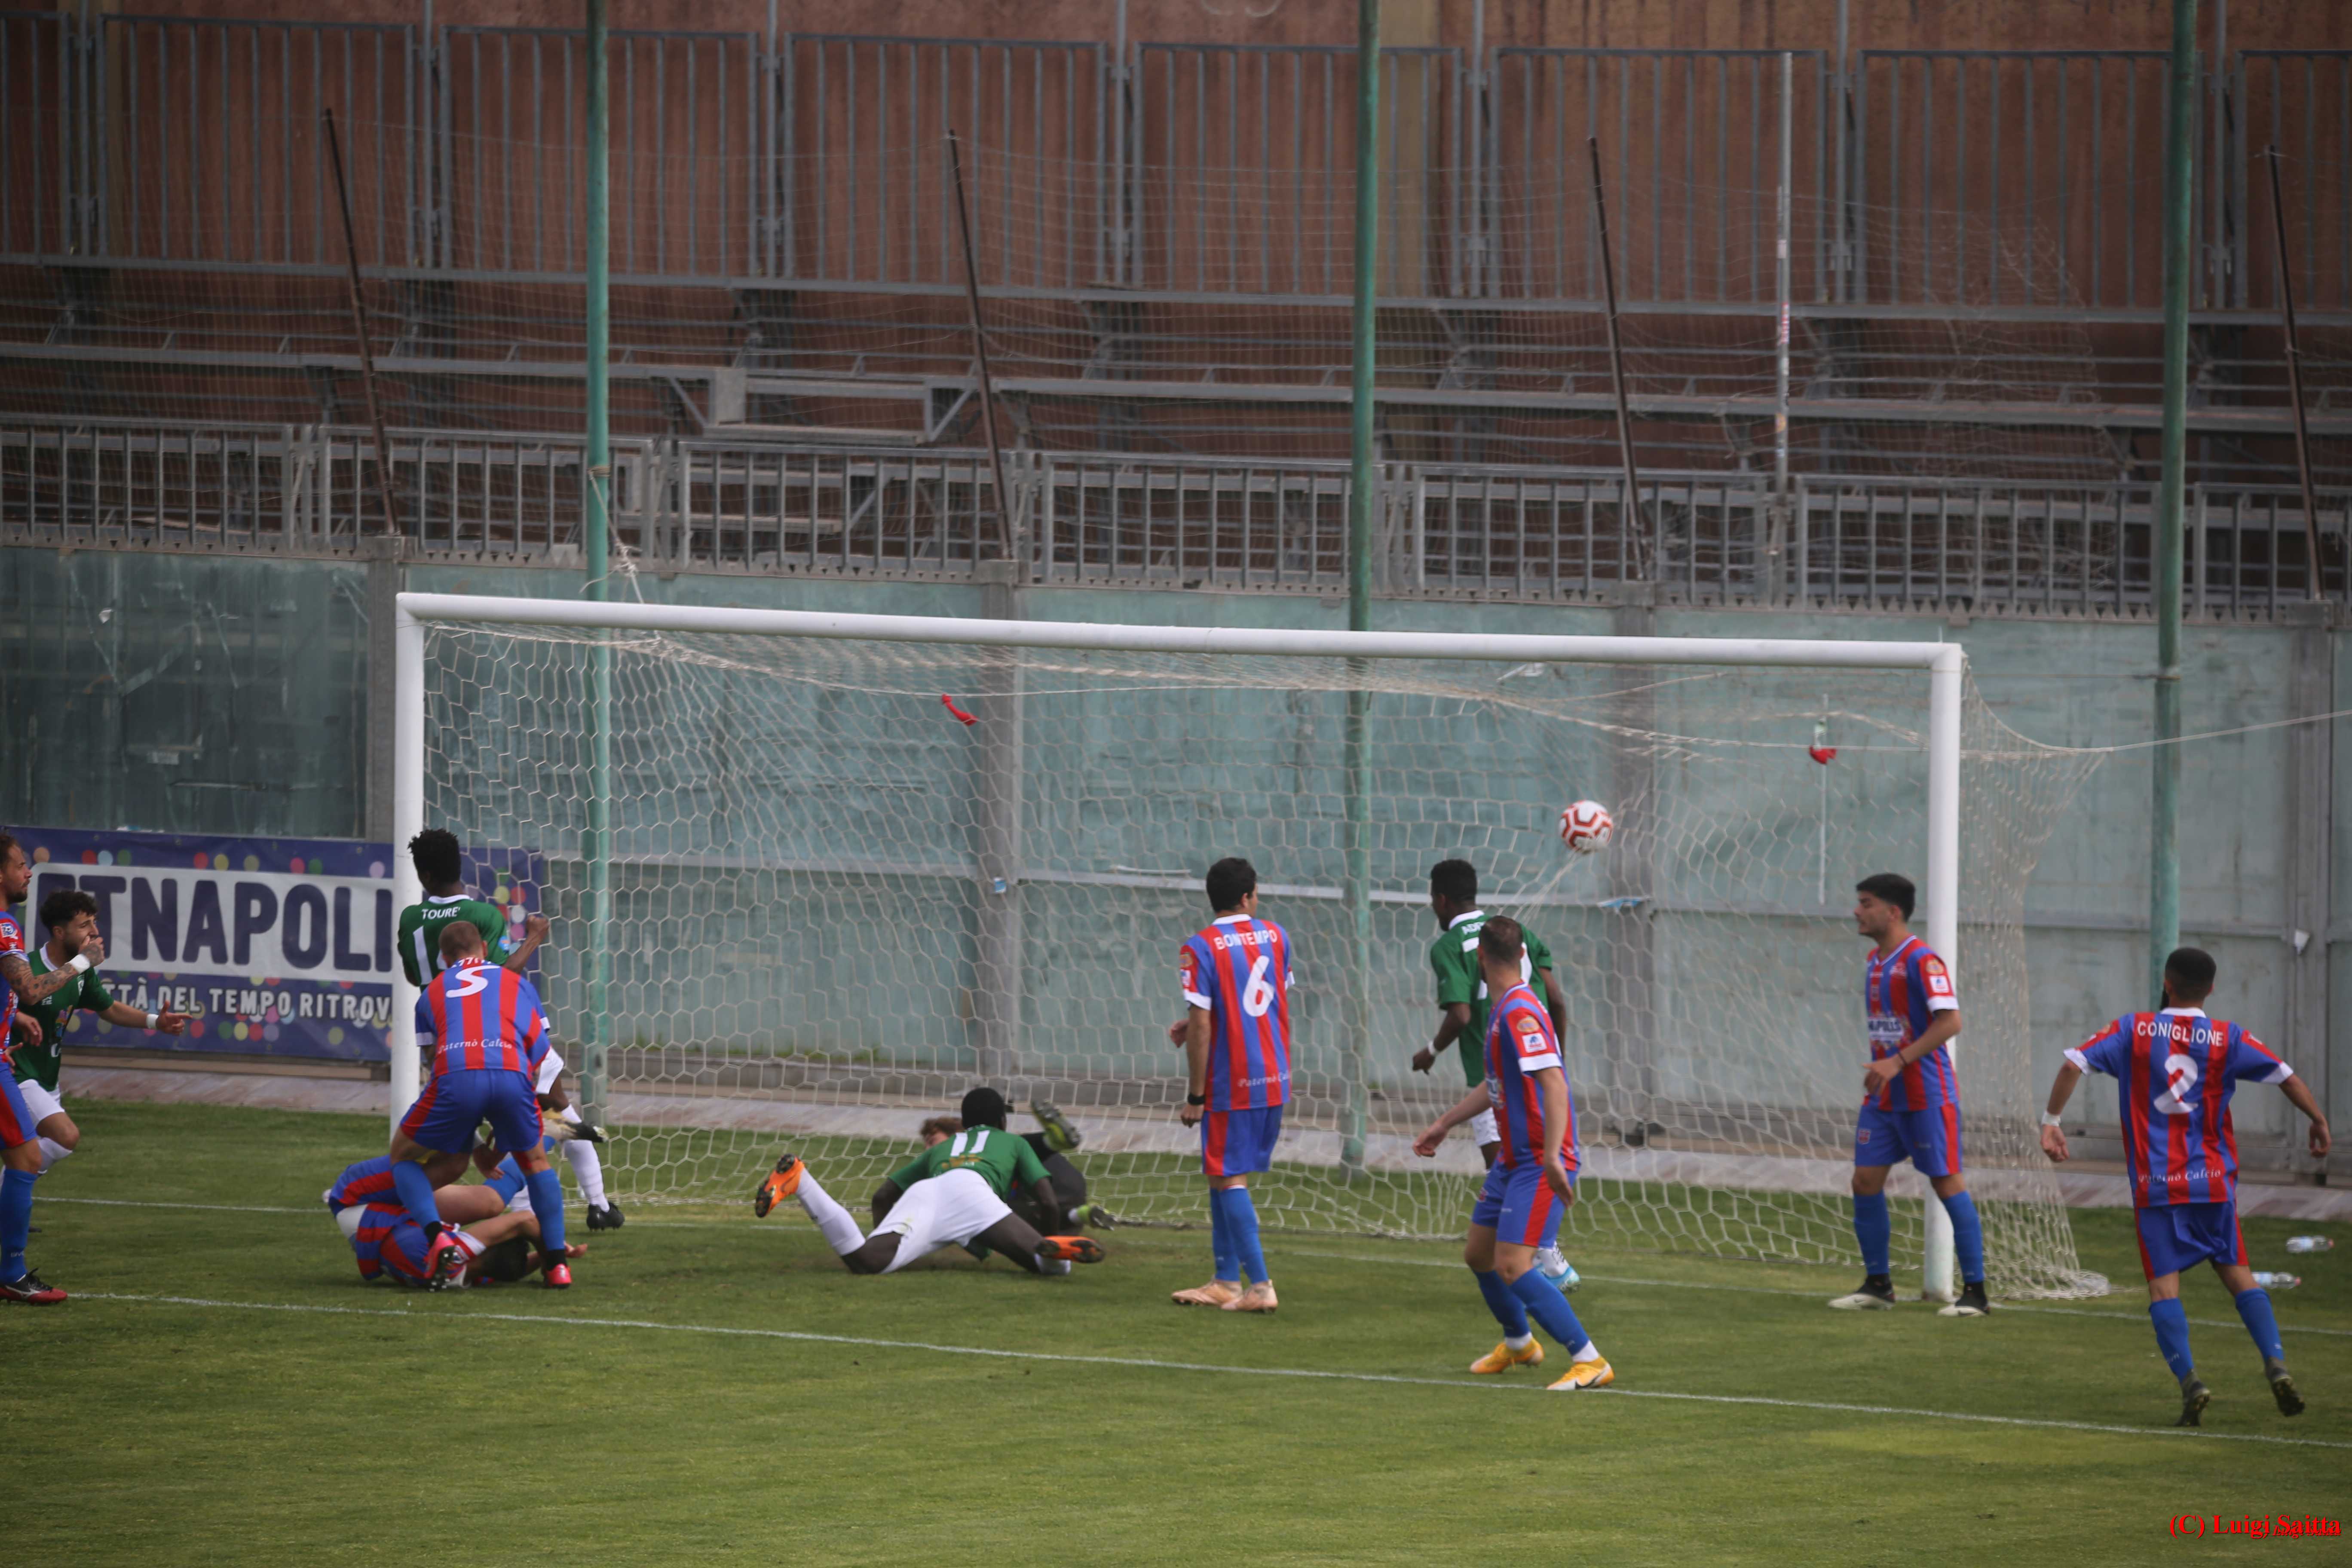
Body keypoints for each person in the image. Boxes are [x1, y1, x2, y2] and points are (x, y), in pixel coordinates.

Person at [2041, 946, 2331, 1427]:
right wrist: (2318, 1120)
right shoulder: (2226, 1037)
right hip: (2212, 1181)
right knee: (2240, 1276)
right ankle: (2275, 1362)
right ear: (2211, 989)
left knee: (2163, 1288)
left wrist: (2052, 1121)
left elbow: (2074, 1063)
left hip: (2157, 1187)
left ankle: (2191, 1381)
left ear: (2166, 982)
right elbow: (2286, 1076)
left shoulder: (2134, 1030)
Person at [1413, 917, 1612, 1390]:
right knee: (1479, 1255)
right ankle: (1520, 1343)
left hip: (1538, 1159)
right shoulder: (1506, 1008)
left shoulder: (1521, 1011)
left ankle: (1590, 1360)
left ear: (1480, 958)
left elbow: (1555, 1085)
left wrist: (1551, 1160)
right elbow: (1497, 1085)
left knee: (1513, 1264)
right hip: (1514, 1159)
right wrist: (1445, 1123)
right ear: (1523, 956)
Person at [1829, 873, 1989, 1317]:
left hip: (1926, 1096)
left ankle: (1975, 1292)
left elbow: (1951, 1022)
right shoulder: (1874, 960)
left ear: (1892, 911)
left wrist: (1897, 1061)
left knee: (1946, 1182)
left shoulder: (1924, 961)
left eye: (1865, 903)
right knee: (1864, 1181)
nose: (1857, 911)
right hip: (1883, 1099)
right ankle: (1879, 1286)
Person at [1415, 859, 1578, 1289]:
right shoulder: (1512, 931)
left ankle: (1543, 1263)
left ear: (1442, 899)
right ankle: (1536, 1260)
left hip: (1496, 1079)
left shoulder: (1451, 946)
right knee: (1513, 1172)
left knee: (1506, 1175)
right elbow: (1558, 1000)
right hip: (1539, 1070)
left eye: (1433, 899)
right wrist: (1554, 1062)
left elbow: (1462, 1014)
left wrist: (1430, 1051)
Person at [386, 921, 571, 1288]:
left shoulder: (431, 992)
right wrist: (509, 1127)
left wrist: (473, 1142)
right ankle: (558, 1266)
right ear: (485, 950)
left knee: (404, 1157)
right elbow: (542, 1057)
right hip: (511, 1073)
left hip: (456, 1078)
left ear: (443, 958)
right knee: (536, 1163)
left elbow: (435, 1060)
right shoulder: (519, 984)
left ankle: (438, 1236)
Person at [750, 1090, 1104, 1277]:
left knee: (866, 1261)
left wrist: (889, 1236)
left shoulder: (947, 1146)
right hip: (977, 1199)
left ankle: (802, 1180)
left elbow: (883, 1195)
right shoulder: (1014, 1143)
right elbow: (1046, 1200)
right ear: (1002, 1121)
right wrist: (1051, 1232)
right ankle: (1058, 1251)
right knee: (1049, 1268)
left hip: (930, 1193)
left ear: (963, 1123)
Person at [1164, 857, 1291, 1312]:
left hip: (1230, 1080)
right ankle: (1224, 1280)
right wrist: (1197, 1020)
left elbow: (1205, 1027)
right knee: (1221, 1174)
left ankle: (1259, 1285)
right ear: (1246, 897)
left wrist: (1196, 1096)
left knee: (1229, 1177)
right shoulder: (1277, 936)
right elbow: (1259, 1000)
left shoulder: (1199, 947)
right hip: (1273, 1074)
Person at [12, 888, 195, 1175]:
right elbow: (12, 1002)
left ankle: (13, 1216)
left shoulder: (81, 972)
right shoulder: (28, 969)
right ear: (59, 932)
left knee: (38, 1152)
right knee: (64, 1137)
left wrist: (155, 1022)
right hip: (17, 1074)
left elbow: (108, 1008)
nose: (95, 932)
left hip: (47, 1076)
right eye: (84, 925)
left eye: (94, 922)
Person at [0, 832, 76, 1304]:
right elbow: (30, 989)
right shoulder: (6, 926)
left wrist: (12, 1019)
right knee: (27, 1159)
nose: (28, 872)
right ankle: (12, 1272)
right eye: (20, 864)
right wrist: (83, 962)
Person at [395, 828, 548, 988]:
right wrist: (535, 937)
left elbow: (413, 977)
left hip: (431, 1011)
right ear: (458, 864)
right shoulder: (485, 915)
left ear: (425, 876)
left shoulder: (410, 918)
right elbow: (502, 976)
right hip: (471, 1012)